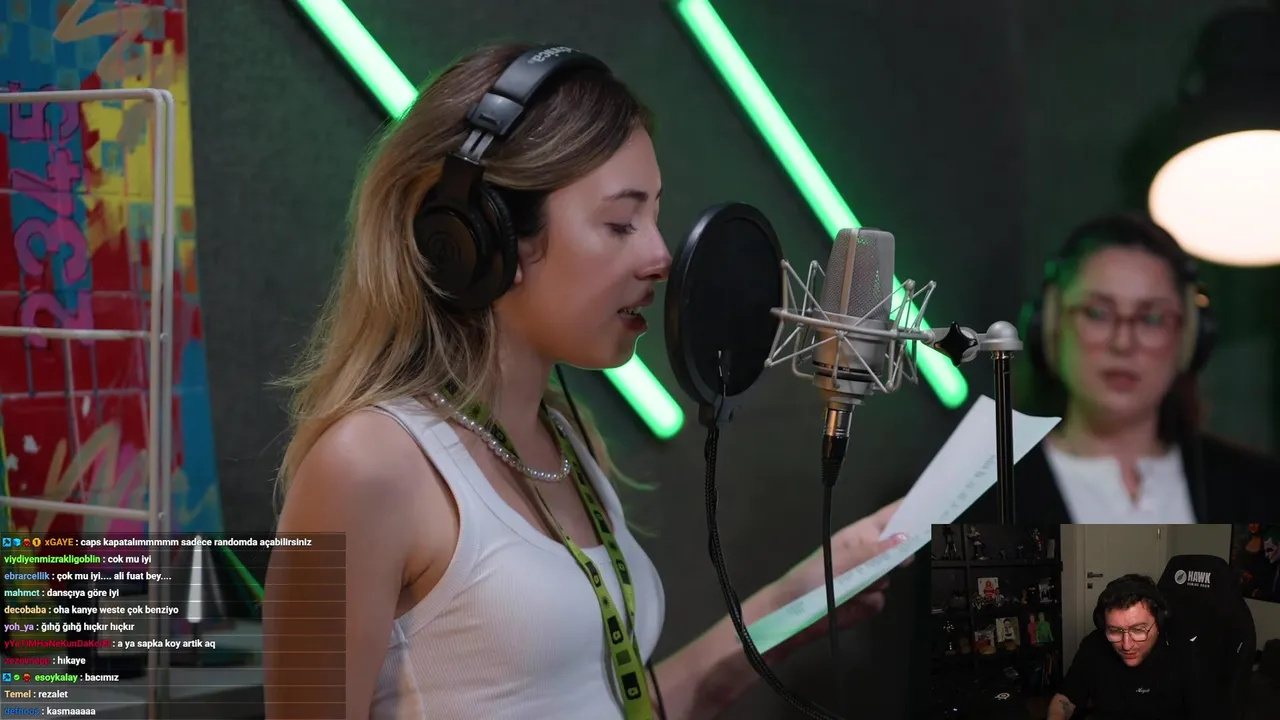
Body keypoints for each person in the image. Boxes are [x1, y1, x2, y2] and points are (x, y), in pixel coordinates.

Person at [262, 44, 909, 720]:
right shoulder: (365, 467)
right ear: (483, 237)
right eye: (620, 222)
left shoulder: (563, 440)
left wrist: (798, 600)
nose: (660, 256)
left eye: (653, 217)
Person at [965, 212, 1280, 524]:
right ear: (1051, 326)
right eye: (1097, 313)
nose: (1123, 342)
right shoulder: (982, 501)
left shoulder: (1261, 491)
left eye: (1152, 318)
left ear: (1188, 339)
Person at [1046, 574, 1209, 720]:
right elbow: (1066, 698)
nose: (1126, 645)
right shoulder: (1094, 645)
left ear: (1159, 623)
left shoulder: (1184, 654)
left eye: (1138, 630)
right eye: (1115, 631)